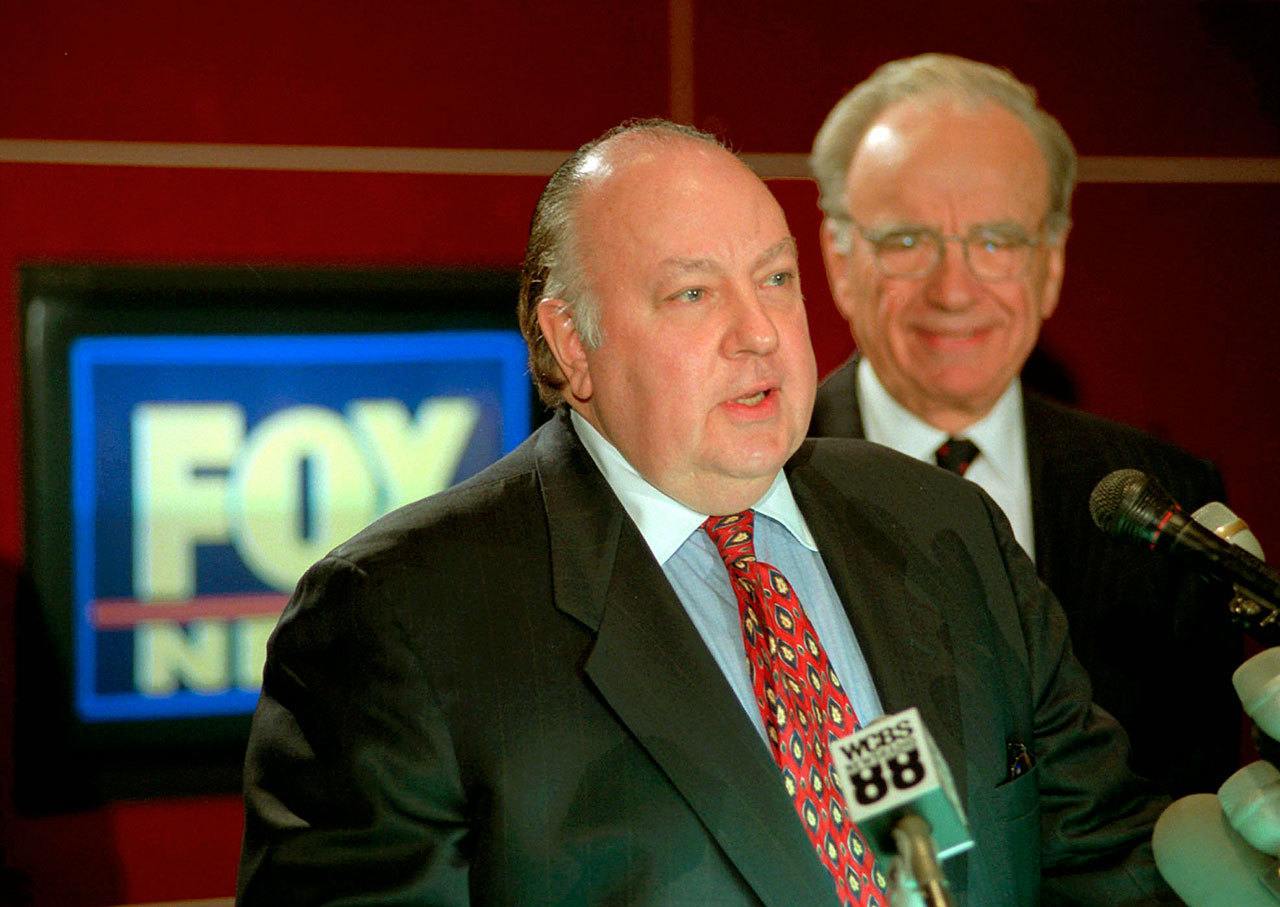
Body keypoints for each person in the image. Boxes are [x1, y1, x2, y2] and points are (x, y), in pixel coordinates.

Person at [238, 119, 1174, 905]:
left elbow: (1105, 860)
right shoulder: (400, 619)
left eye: (775, 279)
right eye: (693, 293)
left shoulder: (944, 524)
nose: (761, 330)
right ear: (573, 343)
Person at [808, 54, 1239, 798]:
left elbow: (1185, 796)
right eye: (908, 241)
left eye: (996, 242)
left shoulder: (1169, 504)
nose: (953, 289)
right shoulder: (754, 476)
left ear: (1051, 264)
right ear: (839, 260)